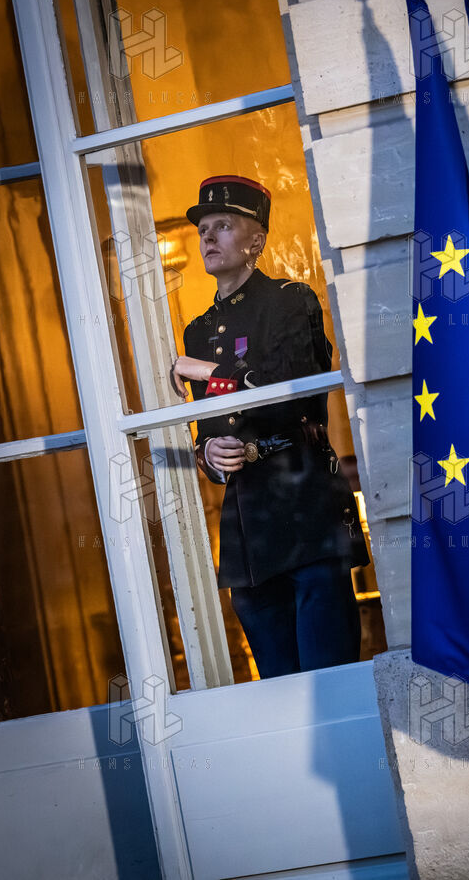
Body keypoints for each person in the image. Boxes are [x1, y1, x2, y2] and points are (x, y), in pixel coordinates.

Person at [170, 175, 369, 679]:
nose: (208, 237)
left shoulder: (291, 300)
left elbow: (290, 389)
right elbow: (208, 428)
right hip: (247, 527)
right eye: (203, 229)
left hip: (305, 508)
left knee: (332, 684)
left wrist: (207, 371)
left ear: (256, 240)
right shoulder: (198, 330)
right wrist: (209, 454)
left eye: (223, 225)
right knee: (280, 694)